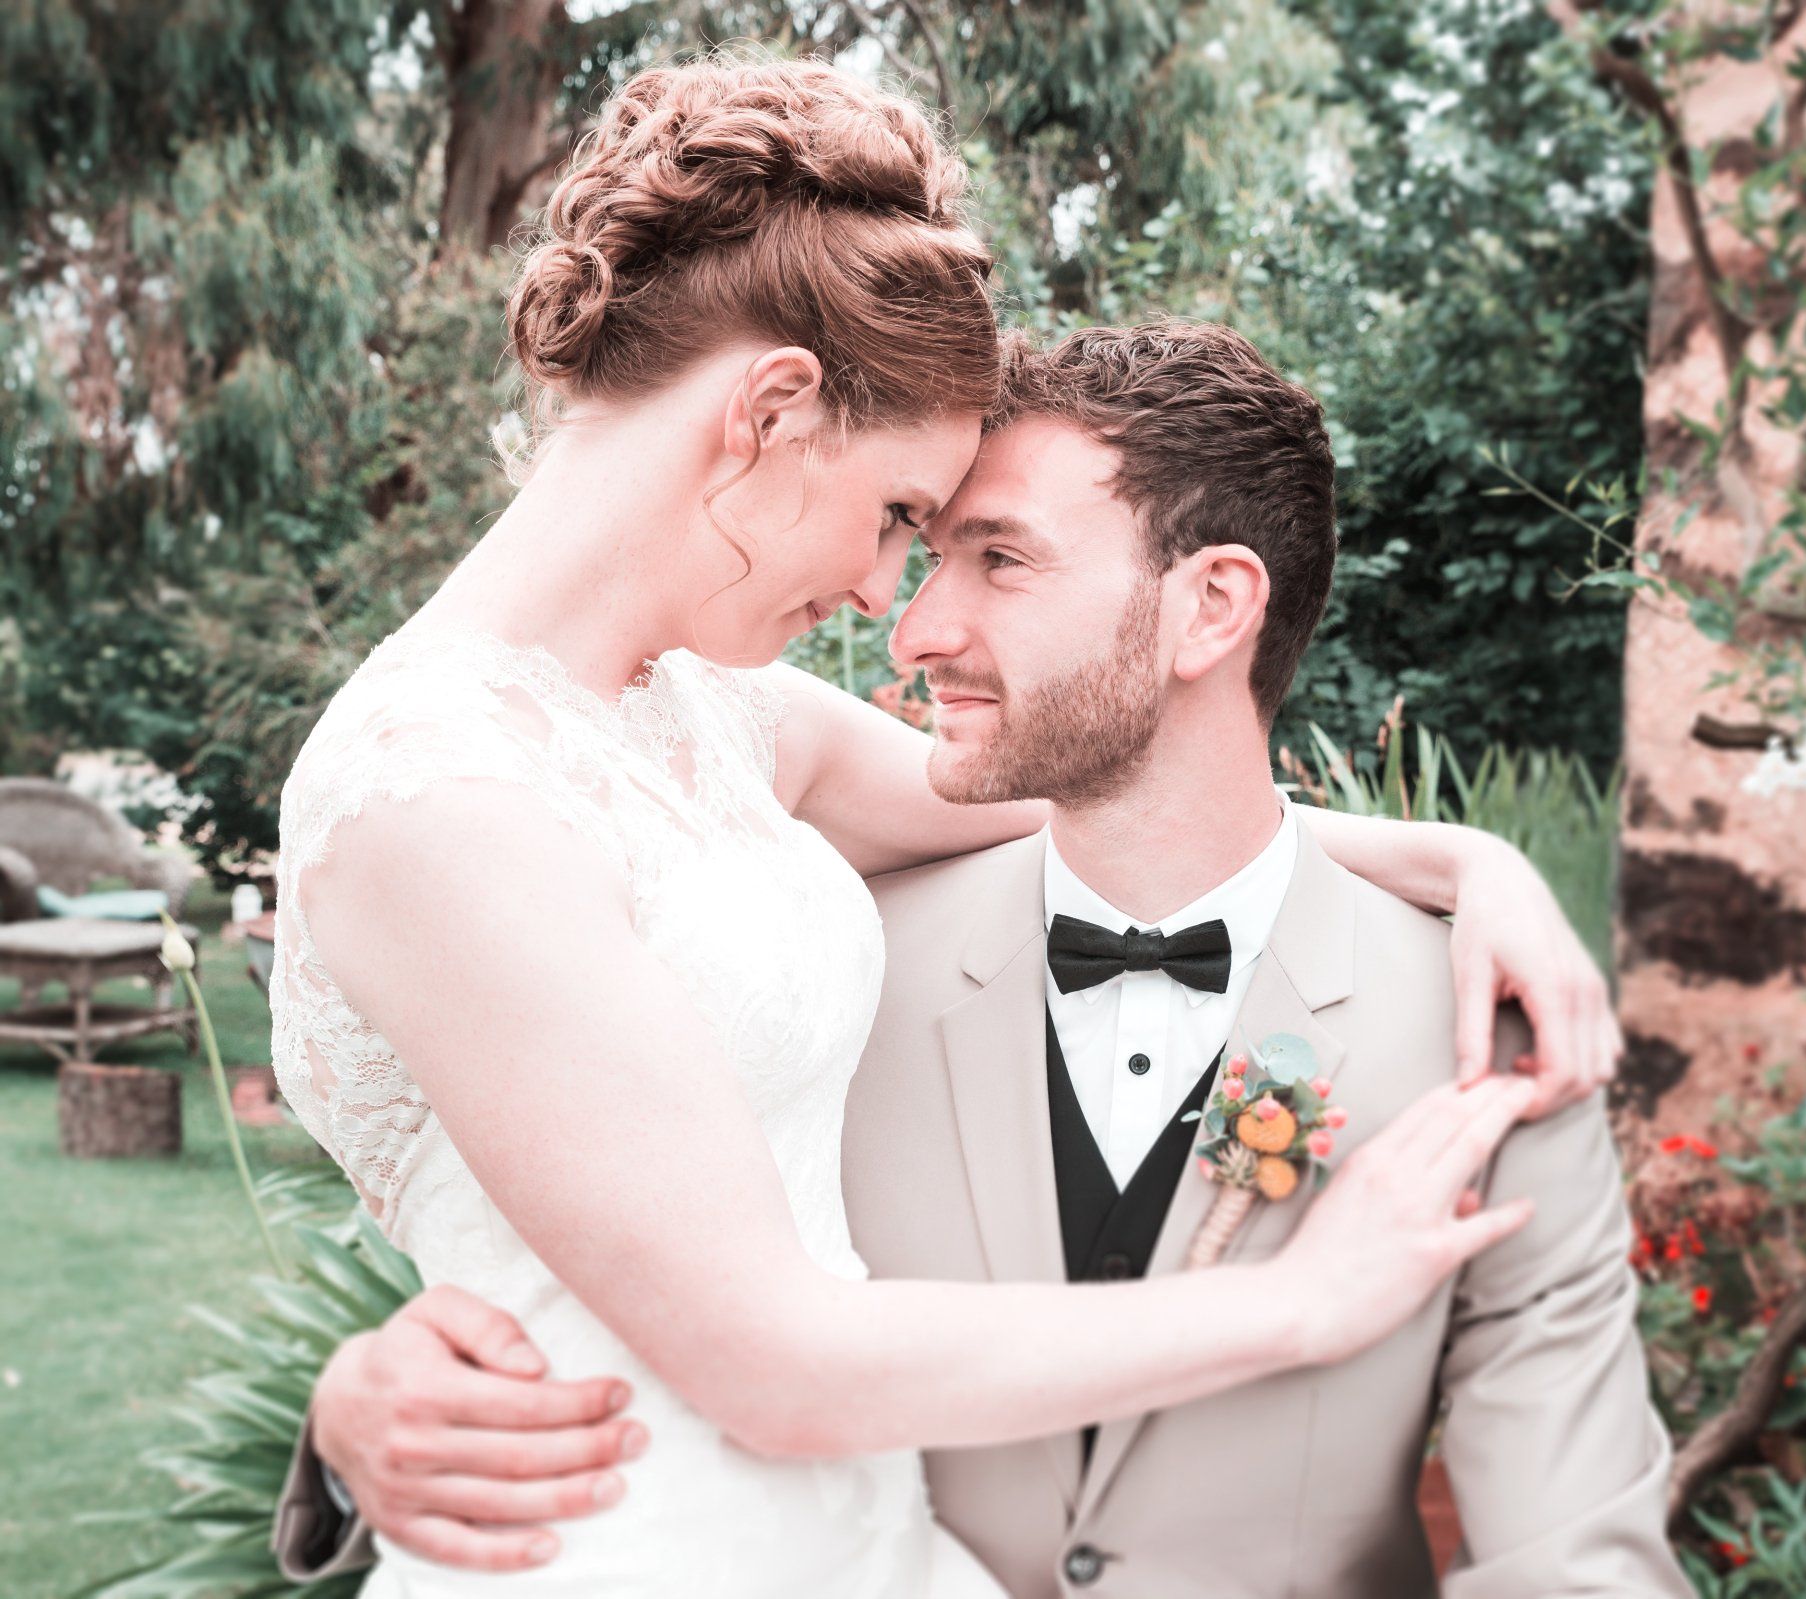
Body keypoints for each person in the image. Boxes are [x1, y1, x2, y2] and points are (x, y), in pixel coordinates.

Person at [269, 56, 1649, 1599]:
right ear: (772, 407)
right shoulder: (438, 797)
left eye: (963, 549)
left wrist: (1470, 862)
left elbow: (1043, 788)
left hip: (861, 1548)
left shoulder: (715, 722)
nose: (888, 606)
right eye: (893, 522)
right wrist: (1302, 1300)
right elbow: (758, 1346)